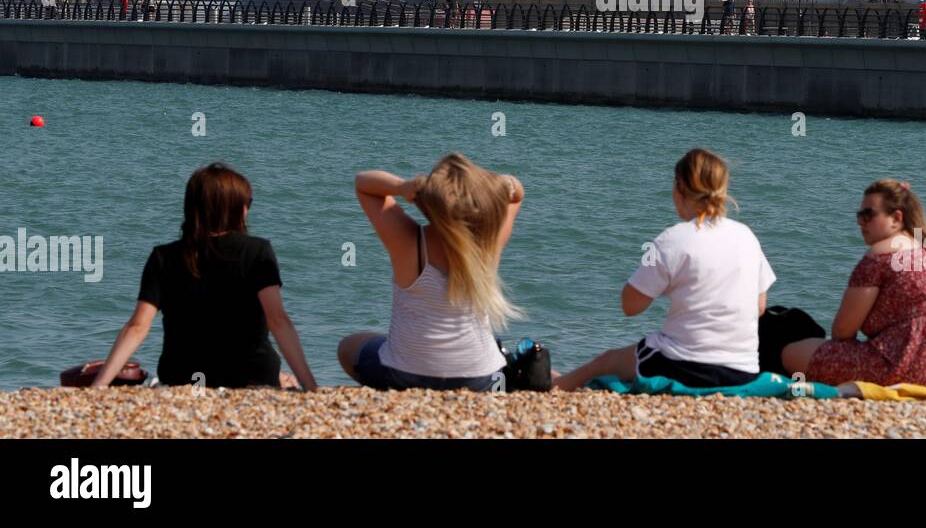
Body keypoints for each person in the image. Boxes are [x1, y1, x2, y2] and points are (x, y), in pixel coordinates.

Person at [554, 148, 775, 391]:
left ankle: (556, 386)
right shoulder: (746, 236)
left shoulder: (672, 239)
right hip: (743, 370)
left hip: (685, 366)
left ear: (679, 188)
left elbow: (630, 306)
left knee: (606, 361)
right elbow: (759, 307)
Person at [92, 163, 316, 390]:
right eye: (247, 203)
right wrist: (311, 386)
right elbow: (278, 320)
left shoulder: (163, 257)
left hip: (182, 378)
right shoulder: (257, 252)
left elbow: (137, 327)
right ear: (234, 207)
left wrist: (99, 386)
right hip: (249, 377)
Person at [338, 154, 522, 391]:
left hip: (404, 377)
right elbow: (516, 193)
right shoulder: (489, 247)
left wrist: (403, 186)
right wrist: (496, 183)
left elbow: (363, 183)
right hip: (480, 379)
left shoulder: (408, 242)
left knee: (349, 346)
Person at [781, 179, 926, 388]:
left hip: (911, 370)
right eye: (859, 216)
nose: (861, 222)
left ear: (896, 218)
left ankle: (789, 394)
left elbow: (842, 331)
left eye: (868, 215)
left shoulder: (881, 255)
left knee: (791, 352)